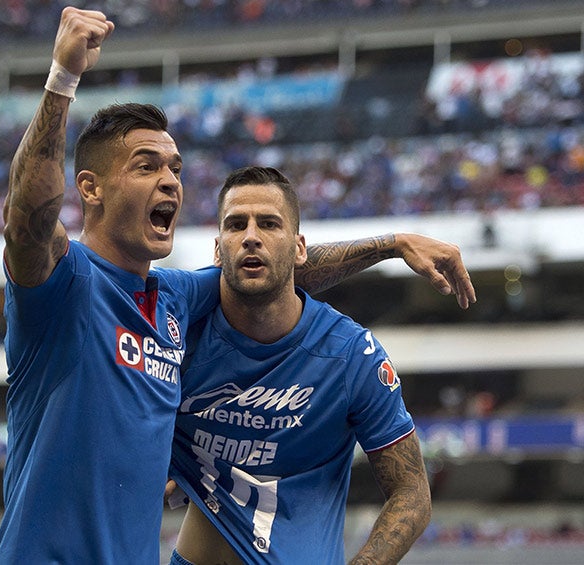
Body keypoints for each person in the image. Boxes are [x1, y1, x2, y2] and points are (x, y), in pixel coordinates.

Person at [0, 8, 474, 563]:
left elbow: (273, 274)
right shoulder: (63, 284)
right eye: (147, 166)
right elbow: (25, 219)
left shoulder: (174, 300)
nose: (170, 180)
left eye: (175, 168)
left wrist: (389, 245)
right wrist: (62, 80)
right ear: (91, 189)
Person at [169, 166, 433, 564]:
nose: (251, 236)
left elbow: (412, 492)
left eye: (269, 224)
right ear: (219, 248)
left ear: (299, 247)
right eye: (236, 224)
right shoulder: (178, 331)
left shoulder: (350, 356)